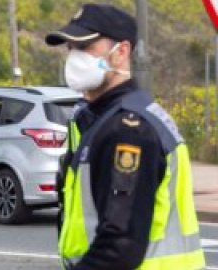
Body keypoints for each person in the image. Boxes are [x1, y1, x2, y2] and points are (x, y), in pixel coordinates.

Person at [46, 3, 205, 270]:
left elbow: (120, 247)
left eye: (85, 47)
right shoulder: (113, 118)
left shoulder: (128, 129)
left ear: (121, 52)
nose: (74, 57)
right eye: (70, 48)